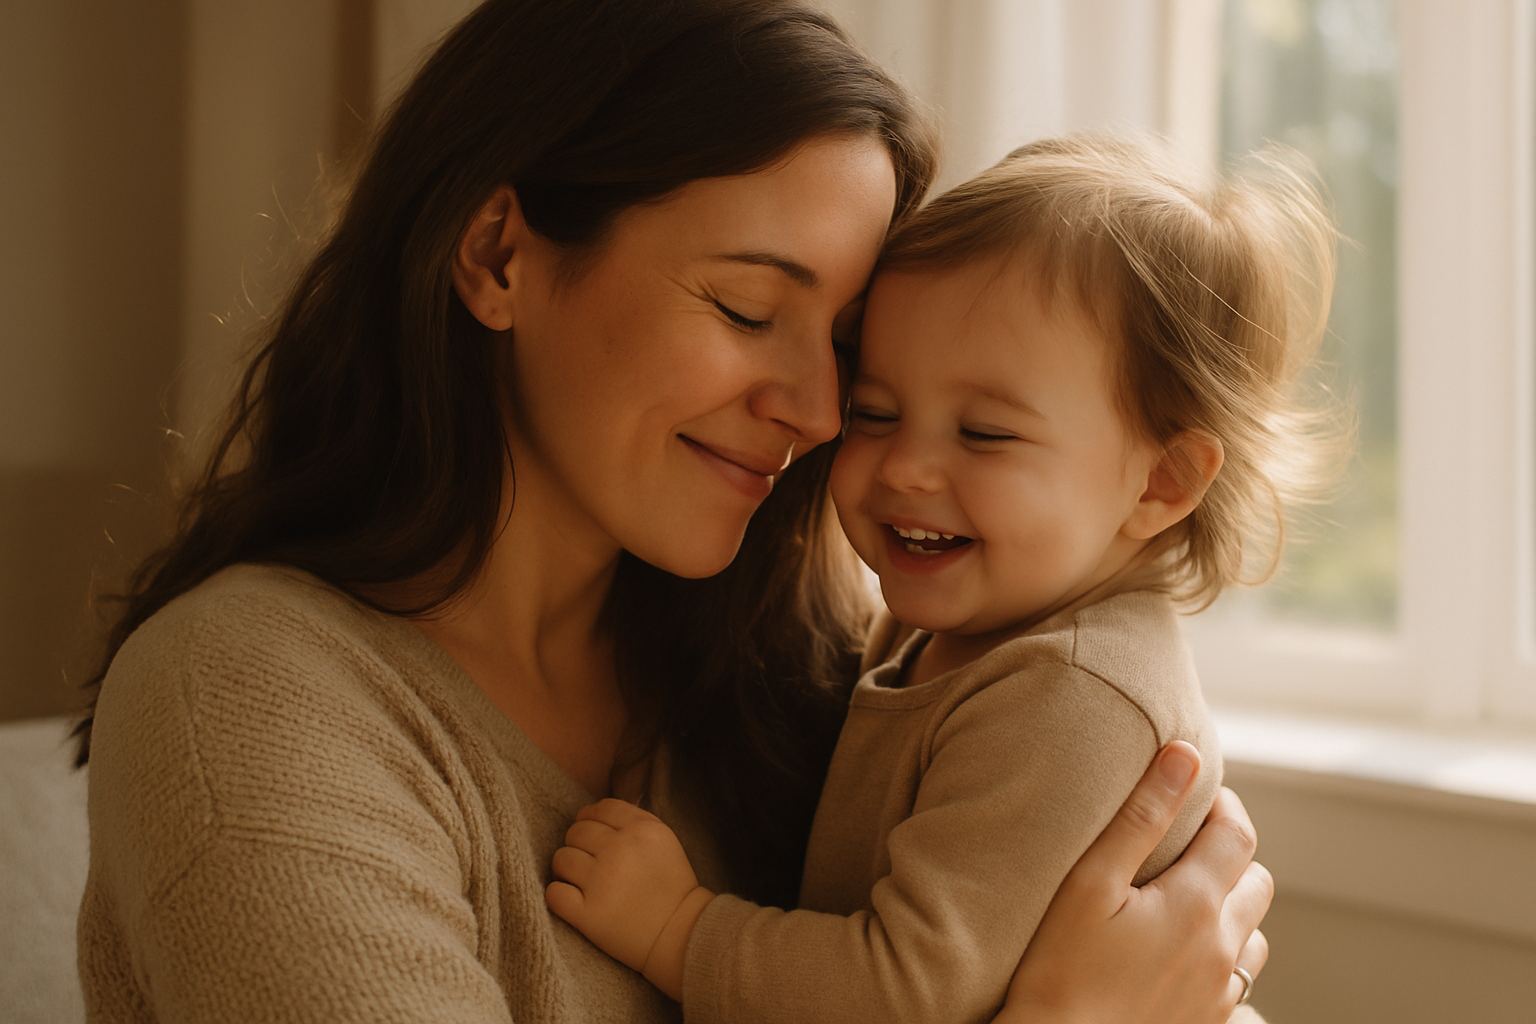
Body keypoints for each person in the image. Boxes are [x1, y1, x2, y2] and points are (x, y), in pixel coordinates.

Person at [74, 3, 1271, 1022]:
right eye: (750, 309)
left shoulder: (813, 663)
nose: (815, 409)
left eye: (844, 347)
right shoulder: (242, 698)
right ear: (498, 255)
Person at [545, 132, 1342, 1023]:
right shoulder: (956, 629)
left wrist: (678, 929)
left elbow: (906, 991)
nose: (907, 469)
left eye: (985, 434)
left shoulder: (1069, 693)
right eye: (875, 412)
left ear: (1160, 482)